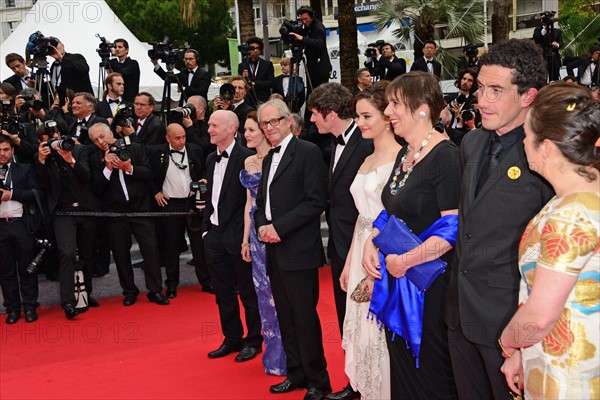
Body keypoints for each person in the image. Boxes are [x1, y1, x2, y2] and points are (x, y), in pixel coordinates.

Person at [444, 39, 554, 400]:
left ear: (527, 96)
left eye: (495, 90)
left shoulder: (547, 155)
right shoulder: (472, 143)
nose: (482, 100)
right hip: (460, 315)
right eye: (480, 88)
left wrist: (524, 341)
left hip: (510, 322)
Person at [361, 72, 459, 399]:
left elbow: (453, 225)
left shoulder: (445, 156)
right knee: (401, 366)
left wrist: (407, 260)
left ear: (421, 109)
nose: (388, 112)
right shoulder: (405, 154)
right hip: (397, 277)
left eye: (394, 104)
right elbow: (391, 207)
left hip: (430, 284)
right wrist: (371, 240)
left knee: (430, 369)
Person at [498, 83, 599, 399]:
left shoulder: (573, 213)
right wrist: (522, 353)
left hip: (570, 371)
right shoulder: (570, 200)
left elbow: (540, 317)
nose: (523, 144)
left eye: (527, 136)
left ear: (547, 147)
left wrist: (508, 341)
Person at [254, 99, 330, 400]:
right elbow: (262, 204)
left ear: (289, 121)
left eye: (275, 121)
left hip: (298, 248)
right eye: (265, 123)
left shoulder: (308, 153)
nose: (270, 127)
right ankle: (296, 373)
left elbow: (315, 201)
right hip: (274, 248)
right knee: (285, 317)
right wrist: (262, 225)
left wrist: (279, 228)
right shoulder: (268, 158)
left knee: (304, 318)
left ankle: (318, 381)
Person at [331, 82, 397, 400]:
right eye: (358, 117)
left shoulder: (402, 159)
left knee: (380, 335)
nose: (361, 123)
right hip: (360, 251)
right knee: (362, 332)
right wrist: (348, 262)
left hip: (383, 255)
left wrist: (374, 269)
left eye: (367, 115)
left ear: (388, 115)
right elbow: (362, 216)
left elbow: (398, 218)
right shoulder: (367, 156)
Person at [307, 83, 373, 360]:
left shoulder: (367, 141)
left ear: (331, 113)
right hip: (340, 243)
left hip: (362, 246)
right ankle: (353, 378)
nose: (311, 119)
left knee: (363, 318)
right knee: (345, 314)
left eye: (314, 113)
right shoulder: (335, 143)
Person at [201, 110, 262, 362]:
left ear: (231, 128)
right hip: (213, 236)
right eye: (209, 125)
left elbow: (252, 202)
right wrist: (206, 229)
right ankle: (232, 337)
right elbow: (210, 198)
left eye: (214, 125)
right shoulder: (209, 159)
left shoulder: (247, 158)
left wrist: (244, 237)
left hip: (239, 237)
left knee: (248, 292)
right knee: (222, 291)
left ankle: (254, 339)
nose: (209, 130)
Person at [88, 122, 170, 307]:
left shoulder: (135, 148)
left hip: (141, 209)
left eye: (102, 136)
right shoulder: (95, 158)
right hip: (115, 213)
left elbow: (149, 173)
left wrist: (129, 168)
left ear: (111, 132)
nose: (100, 142)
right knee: (120, 253)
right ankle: (129, 290)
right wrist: (108, 168)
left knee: (151, 250)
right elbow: (96, 188)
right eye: (95, 139)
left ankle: (155, 290)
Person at [239, 111, 286, 376]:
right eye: (245, 130)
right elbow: (249, 203)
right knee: (264, 299)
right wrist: (246, 239)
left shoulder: (277, 158)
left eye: (251, 130)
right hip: (256, 238)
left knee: (281, 297)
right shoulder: (248, 161)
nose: (246, 135)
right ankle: (273, 356)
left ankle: (288, 354)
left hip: (275, 233)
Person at [37, 129, 100, 318]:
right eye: (51, 141)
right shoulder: (44, 156)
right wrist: (41, 161)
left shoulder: (80, 151)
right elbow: (43, 184)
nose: (56, 144)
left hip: (85, 209)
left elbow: (85, 177)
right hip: (62, 212)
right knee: (67, 253)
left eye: (57, 138)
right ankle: (68, 302)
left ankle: (85, 293)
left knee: (88, 253)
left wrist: (69, 158)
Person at [148, 123, 206, 297]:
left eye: (184, 137)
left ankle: (206, 281)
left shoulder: (195, 150)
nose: (181, 141)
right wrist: (155, 191)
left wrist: (204, 180)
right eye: (177, 138)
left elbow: (203, 170)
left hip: (193, 202)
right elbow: (147, 174)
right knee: (171, 246)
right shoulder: (155, 152)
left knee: (199, 244)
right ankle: (172, 284)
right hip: (170, 204)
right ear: (167, 138)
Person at [0, 135, 42, 324]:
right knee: (5, 270)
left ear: (12, 150)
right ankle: (12, 309)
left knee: (27, 269)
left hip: (21, 225)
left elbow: (35, 193)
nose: (2, 154)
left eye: (6, 150)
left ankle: (30, 306)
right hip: (1, 227)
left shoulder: (24, 169)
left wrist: (12, 195)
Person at [291, 6, 332, 92]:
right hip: (312, 67)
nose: (304, 21)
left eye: (306, 19)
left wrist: (302, 38)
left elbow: (320, 43)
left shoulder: (318, 27)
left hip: (320, 68)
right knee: (311, 93)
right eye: (302, 19)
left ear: (311, 16)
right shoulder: (307, 26)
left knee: (320, 94)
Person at [238, 36, 275, 106]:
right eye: (252, 48)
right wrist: (243, 78)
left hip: (263, 100)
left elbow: (271, 82)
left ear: (260, 50)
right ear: (248, 50)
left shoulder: (267, 64)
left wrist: (255, 84)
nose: (255, 51)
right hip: (247, 101)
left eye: (257, 48)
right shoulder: (242, 66)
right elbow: (239, 84)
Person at [533, 12, 563, 82]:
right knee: (542, 78)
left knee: (555, 78)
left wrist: (557, 44)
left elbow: (561, 42)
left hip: (554, 57)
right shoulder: (538, 30)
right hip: (543, 57)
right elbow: (536, 39)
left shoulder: (557, 31)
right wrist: (544, 30)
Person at [109, 38, 140, 103]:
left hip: (129, 101)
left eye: (120, 47)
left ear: (127, 50)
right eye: (115, 47)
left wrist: (114, 56)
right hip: (115, 100)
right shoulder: (114, 64)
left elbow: (121, 73)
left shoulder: (133, 63)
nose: (117, 49)